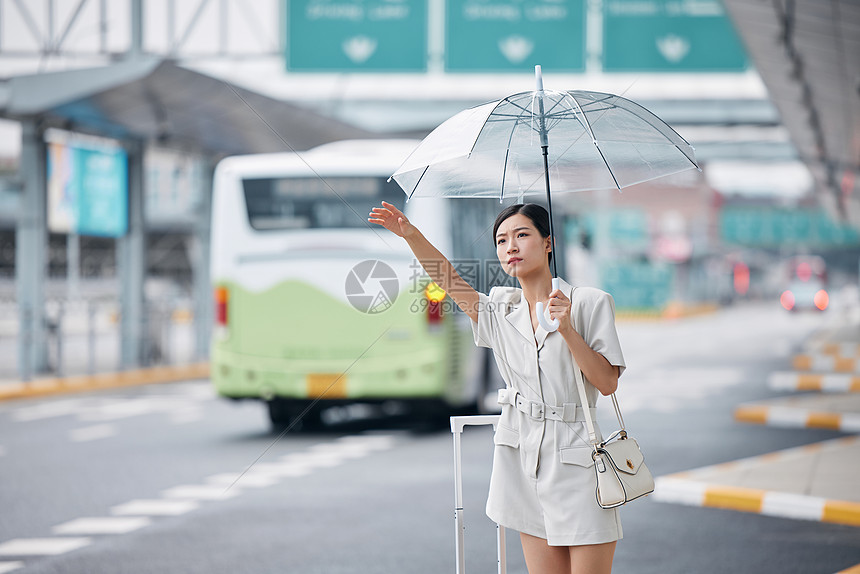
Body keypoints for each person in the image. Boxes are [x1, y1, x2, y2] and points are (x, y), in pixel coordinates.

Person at [369, 201, 626, 574]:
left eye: (522, 235)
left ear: (548, 243)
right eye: (502, 240)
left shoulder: (588, 303)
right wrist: (411, 235)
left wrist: (567, 328)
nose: (511, 246)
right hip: (522, 463)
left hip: (579, 462)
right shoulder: (501, 311)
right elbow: (450, 282)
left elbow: (606, 383)